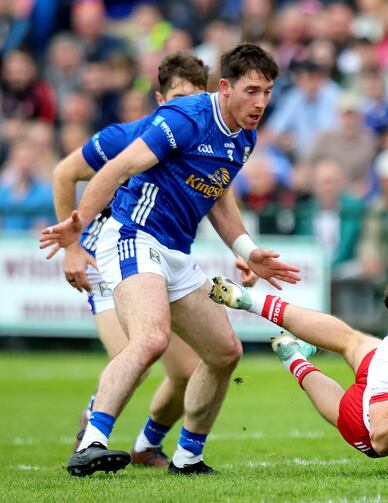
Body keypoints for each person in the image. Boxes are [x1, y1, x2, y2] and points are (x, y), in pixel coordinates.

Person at [39, 43, 301, 476]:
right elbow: (116, 169)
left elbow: (219, 199)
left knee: (224, 352)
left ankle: (186, 457)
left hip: (175, 252)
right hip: (133, 235)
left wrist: (248, 251)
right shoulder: (185, 118)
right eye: (252, 91)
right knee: (150, 340)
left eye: (268, 92)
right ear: (224, 87)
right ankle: (91, 442)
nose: (261, 103)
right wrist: (76, 228)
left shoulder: (245, 136)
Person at [208, 272, 388, 459]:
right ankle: (294, 359)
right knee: (353, 428)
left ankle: (251, 300)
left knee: (351, 341)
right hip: (369, 417)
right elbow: (381, 442)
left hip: (382, 359)